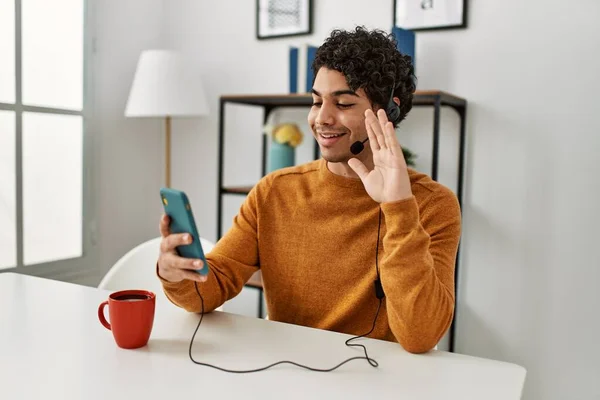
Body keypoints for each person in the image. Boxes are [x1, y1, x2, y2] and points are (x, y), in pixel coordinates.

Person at [156, 26, 461, 354]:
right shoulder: (274, 192)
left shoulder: (433, 204)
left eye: (343, 103)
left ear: (389, 110)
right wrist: (176, 273)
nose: (322, 118)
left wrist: (398, 205)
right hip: (285, 373)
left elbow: (420, 336)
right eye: (316, 102)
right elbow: (209, 289)